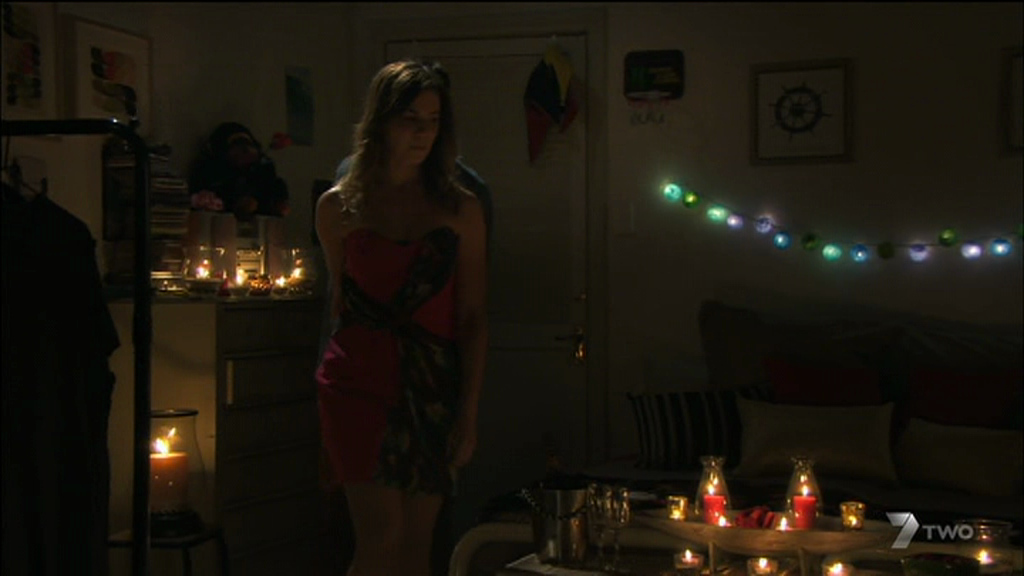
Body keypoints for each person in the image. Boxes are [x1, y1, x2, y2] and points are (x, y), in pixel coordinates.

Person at [314, 59, 488, 576]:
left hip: (431, 384)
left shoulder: (461, 208)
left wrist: (468, 412)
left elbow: (473, 315)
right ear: (382, 121)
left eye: (432, 121)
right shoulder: (338, 208)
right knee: (380, 540)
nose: (422, 133)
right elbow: (341, 303)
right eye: (410, 118)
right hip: (358, 382)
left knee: (416, 546)